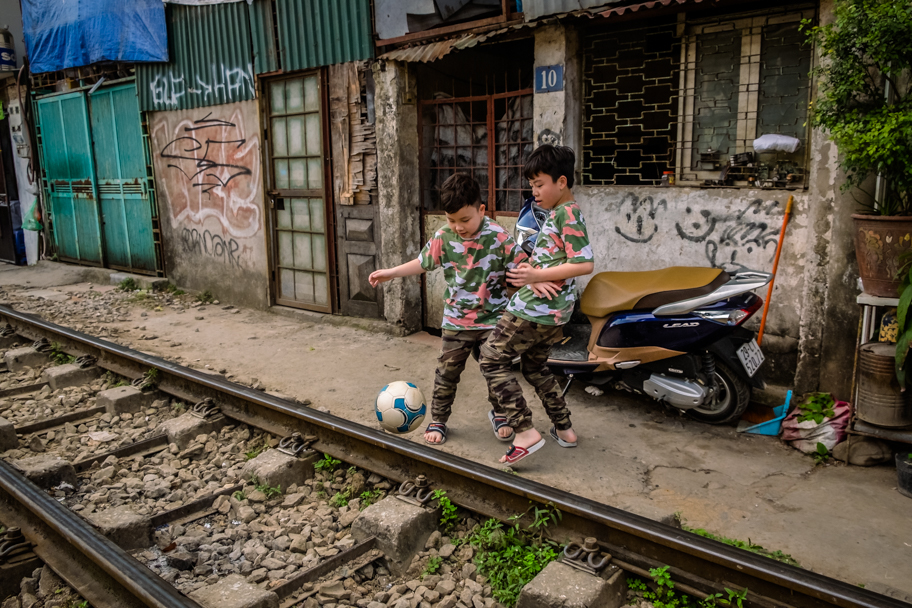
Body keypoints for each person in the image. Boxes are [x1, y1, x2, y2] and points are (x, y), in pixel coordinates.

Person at [369, 173, 546, 445]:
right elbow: (423, 262)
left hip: (493, 320)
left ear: (481, 210)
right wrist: (391, 273)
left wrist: (541, 281)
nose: (458, 227)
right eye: (451, 220)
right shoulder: (443, 236)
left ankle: (500, 413)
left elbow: (523, 267)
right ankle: (439, 419)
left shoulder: (498, 236)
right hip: (456, 323)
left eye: (465, 219)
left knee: (496, 372)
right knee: (446, 374)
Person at [479, 144, 594, 465]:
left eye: (539, 184)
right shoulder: (558, 214)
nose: (535, 192)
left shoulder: (568, 214)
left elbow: (584, 263)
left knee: (491, 360)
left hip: (533, 310)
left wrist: (534, 275)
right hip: (551, 312)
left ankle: (525, 431)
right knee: (535, 367)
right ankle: (565, 428)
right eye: (531, 186)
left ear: (561, 182)